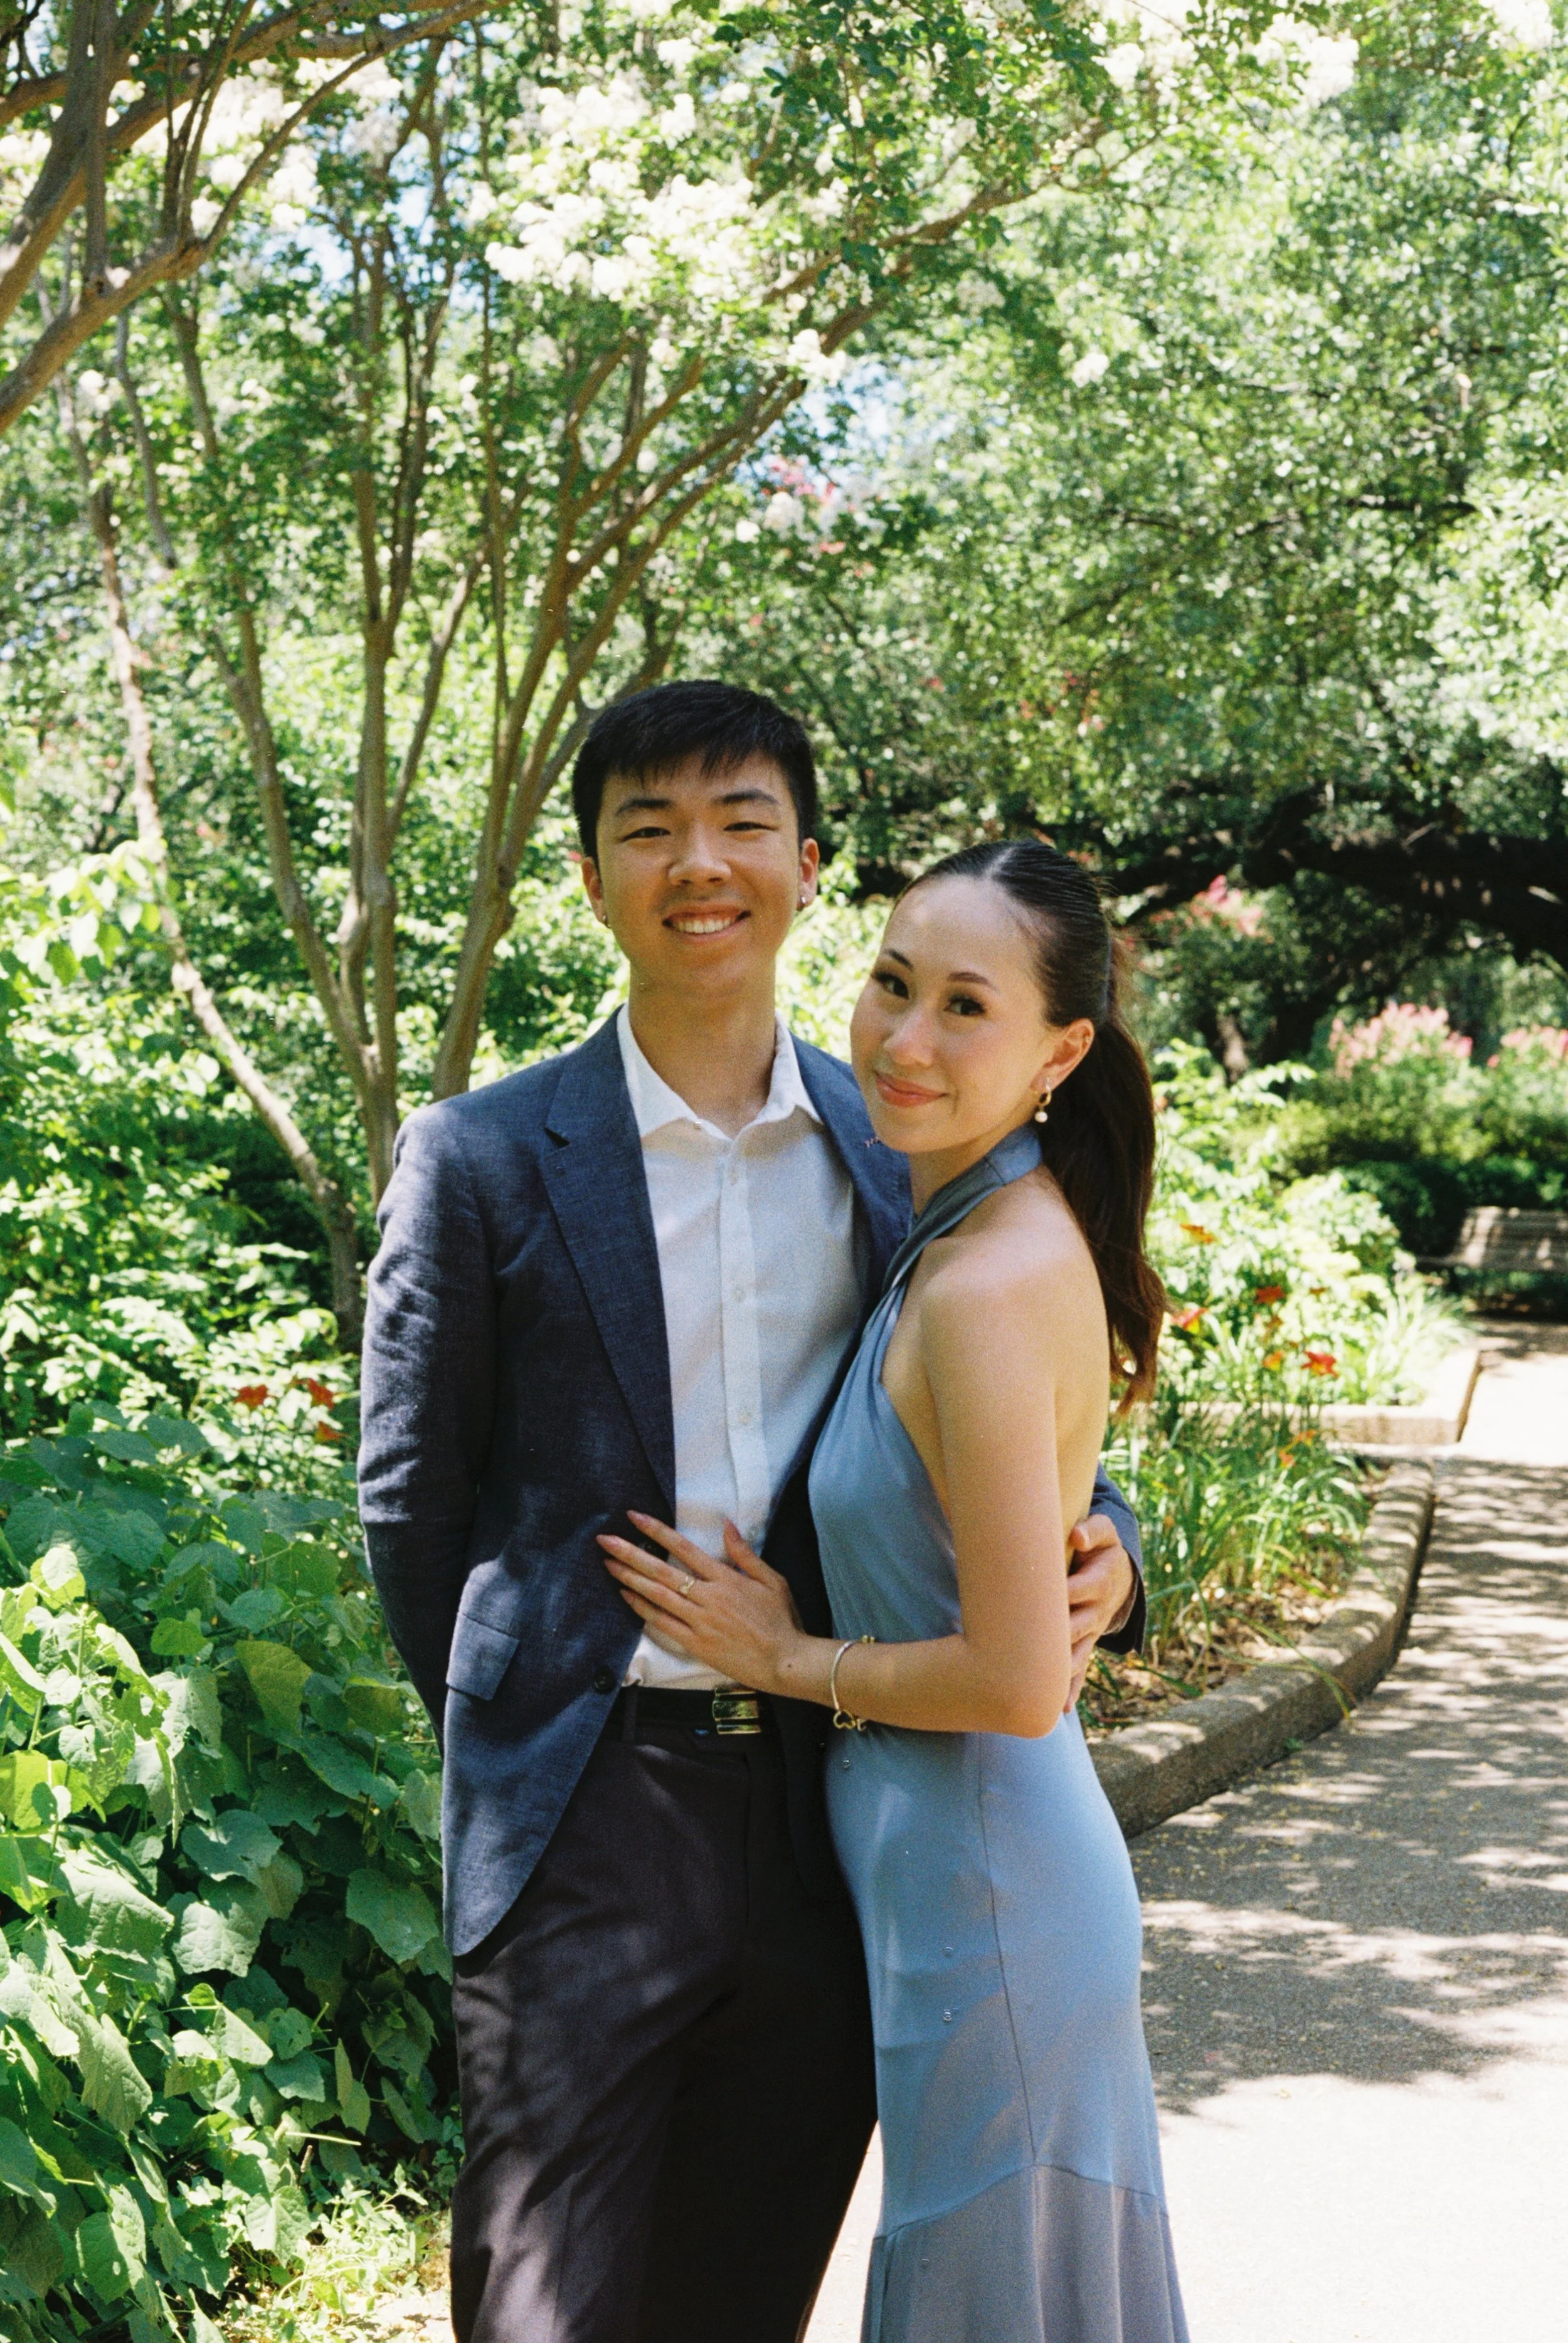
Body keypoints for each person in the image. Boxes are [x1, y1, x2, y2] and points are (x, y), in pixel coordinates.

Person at [358, 685, 1147, 2343]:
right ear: (588, 876)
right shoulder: (482, 1155)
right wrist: (531, 1732)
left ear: (804, 862)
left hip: (825, 1814)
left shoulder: (905, 1132)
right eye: (647, 827)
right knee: (535, 2304)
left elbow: (1021, 1383)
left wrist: (1109, 1545)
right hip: (587, 1819)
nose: (695, 863)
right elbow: (411, 1515)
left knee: (741, 2299)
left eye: (738, 822)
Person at [601, 836, 1187, 2343]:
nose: (904, 1039)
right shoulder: (947, 1213)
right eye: (889, 983)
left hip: (986, 1883)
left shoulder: (987, 1280)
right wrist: (1100, 1532)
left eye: (964, 1008)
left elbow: (1012, 1676)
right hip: (944, 1878)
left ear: (1061, 1048)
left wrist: (784, 1651)